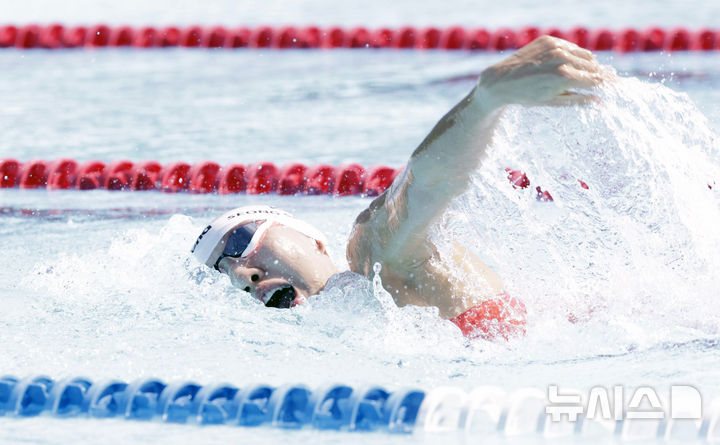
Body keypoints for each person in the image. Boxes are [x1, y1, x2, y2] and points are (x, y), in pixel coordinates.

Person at [191, 36, 608, 340]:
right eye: (219, 272)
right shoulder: (354, 333)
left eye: (242, 240)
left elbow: (427, 182)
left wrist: (486, 99)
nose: (240, 274)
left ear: (313, 241)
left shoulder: (376, 255)